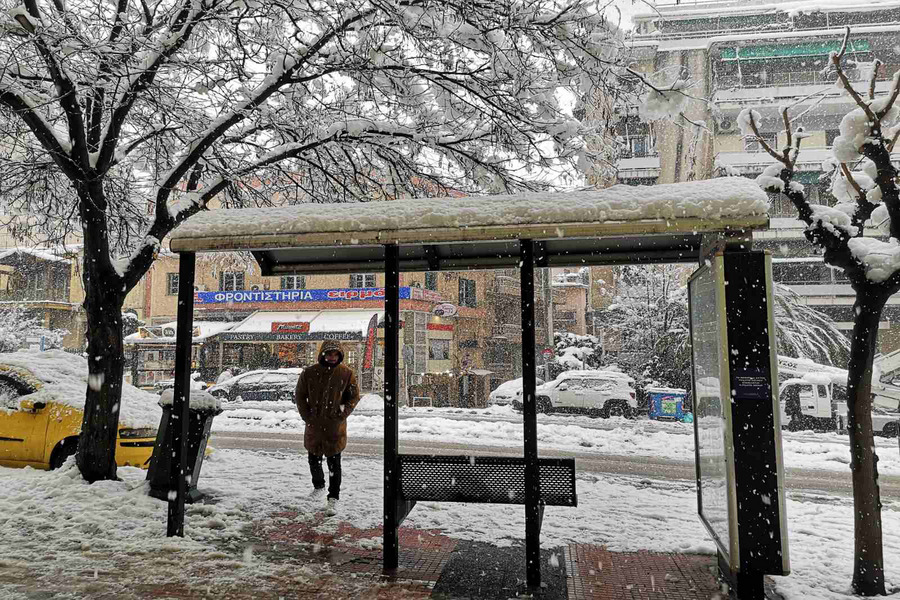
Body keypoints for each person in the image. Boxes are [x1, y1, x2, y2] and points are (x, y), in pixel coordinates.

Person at [295, 339, 360, 516]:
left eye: (335, 354)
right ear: (323, 354)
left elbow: (353, 396)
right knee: (313, 459)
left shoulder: (346, 373)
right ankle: (318, 485)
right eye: (329, 354)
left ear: (340, 355)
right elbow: (300, 396)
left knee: (334, 463)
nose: (332, 357)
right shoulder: (309, 373)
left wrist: (342, 413)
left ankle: (334, 495)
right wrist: (307, 416)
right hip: (314, 425)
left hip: (334, 427)